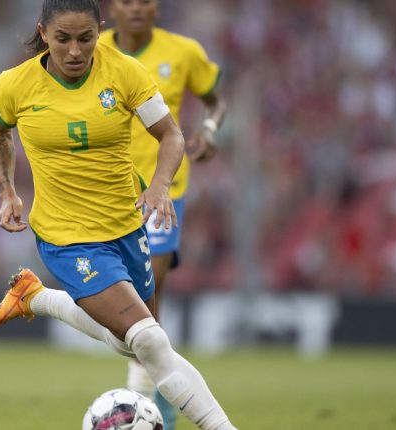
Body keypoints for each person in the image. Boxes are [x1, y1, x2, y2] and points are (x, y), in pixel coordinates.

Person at [0, 1, 236, 429]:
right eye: (63, 39)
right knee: (150, 340)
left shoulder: (124, 72)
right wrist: (8, 190)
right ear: (42, 33)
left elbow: (170, 134)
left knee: (139, 344)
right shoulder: (14, 85)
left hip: (126, 227)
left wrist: (159, 186)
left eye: (86, 38)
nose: (75, 51)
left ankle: (37, 297)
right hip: (66, 237)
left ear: (100, 31)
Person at [99, 1, 227, 428]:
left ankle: (144, 395)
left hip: (162, 190)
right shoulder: (89, 50)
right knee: (122, 297)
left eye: (145, 0)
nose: (136, 8)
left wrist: (209, 130)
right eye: (126, 0)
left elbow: (215, 103)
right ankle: (162, 380)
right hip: (104, 189)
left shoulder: (184, 51)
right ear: (111, 8)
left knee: (148, 292)